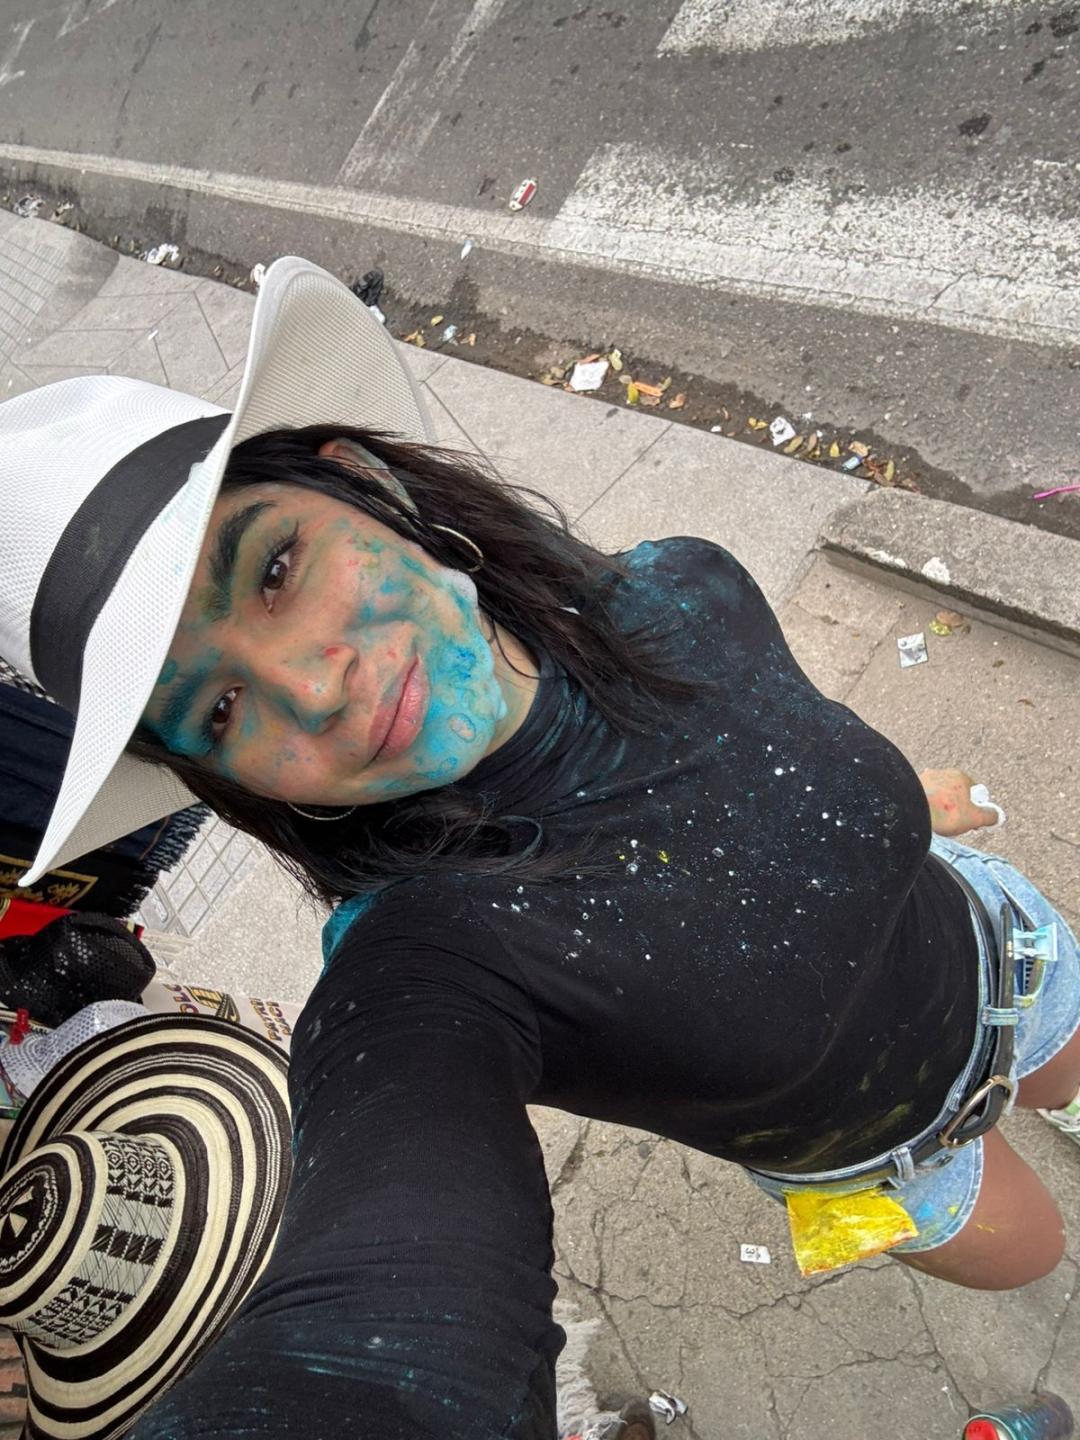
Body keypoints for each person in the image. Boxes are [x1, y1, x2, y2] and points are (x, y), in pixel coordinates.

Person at [0, 258, 1076, 1439]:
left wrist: (894, 797)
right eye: (216, 709)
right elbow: (389, 1293)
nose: (311, 688)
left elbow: (770, 742)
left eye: (273, 570)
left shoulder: (681, 586)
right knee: (1034, 1255)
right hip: (899, 1155)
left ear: (362, 481)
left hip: (1007, 940)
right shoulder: (425, 963)